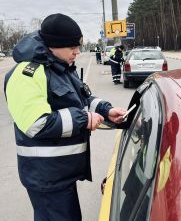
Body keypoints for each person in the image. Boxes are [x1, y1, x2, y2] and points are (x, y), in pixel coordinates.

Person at [4, 13, 126, 221]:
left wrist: (106, 110)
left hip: (60, 174)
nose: (77, 51)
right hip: (46, 178)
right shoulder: (28, 73)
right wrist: (84, 119)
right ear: (53, 45)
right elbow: (37, 123)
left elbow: (80, 99)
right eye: (72, 47)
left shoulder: (59, 67)